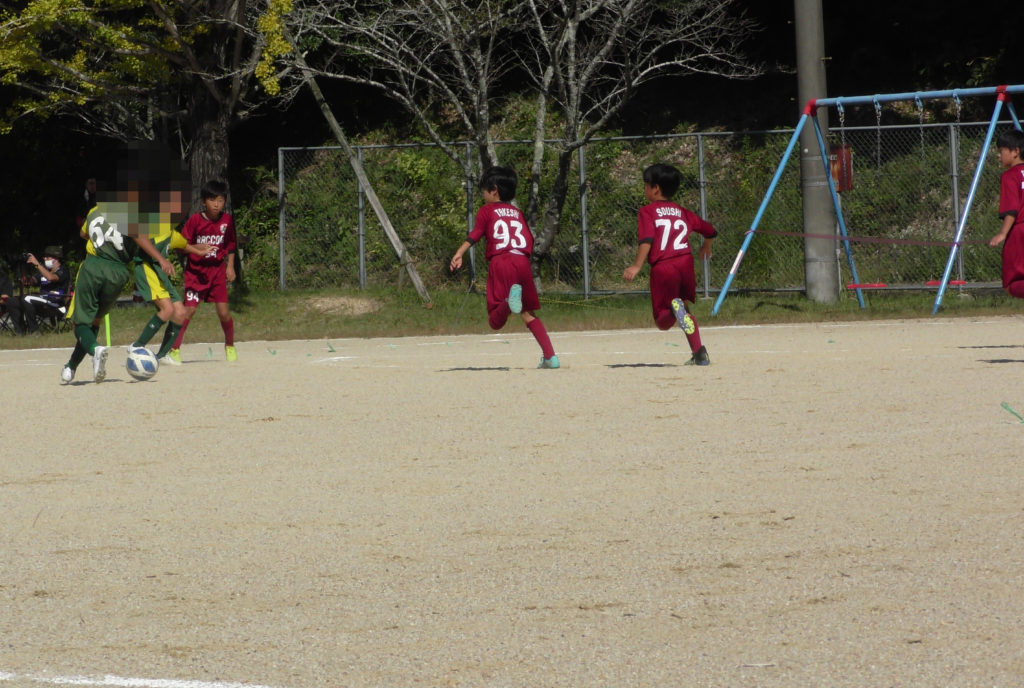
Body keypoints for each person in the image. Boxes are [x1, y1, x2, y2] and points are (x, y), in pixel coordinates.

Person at [62, 145, 187, 384]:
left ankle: (94, 350)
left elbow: (83, 234)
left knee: (80, 324)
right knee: (95, 321)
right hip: (119, 273)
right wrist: (161, 258)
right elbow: (139, 236)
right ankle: (70, 367)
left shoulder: (94, 212)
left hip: (94, 266)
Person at [449, 166, 559, 368]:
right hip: (522, 262)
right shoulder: (517, 213)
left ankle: (508, 301)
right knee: (528, 314)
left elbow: (477, 233)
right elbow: (529, 240)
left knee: (495, 321)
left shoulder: (487, 210)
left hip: (502, 261)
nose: (483, 195)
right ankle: (551, 357)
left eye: (484, 191)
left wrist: (460, 252)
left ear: (494, 191)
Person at [623, 163, 716, 365]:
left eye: (646, 185)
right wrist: (706, 247)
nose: (644, 189)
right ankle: (699, 353)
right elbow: (710, 231)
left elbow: (647, 239)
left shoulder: (647, 212)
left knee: (662, 321)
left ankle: (674, 311)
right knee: (684, 309)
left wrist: (637, 265)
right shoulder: (683, 212)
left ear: (656, 188)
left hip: (664, 266)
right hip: (685, 264)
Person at [130, 186, 216, 364]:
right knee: (167, 310)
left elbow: (186, 246)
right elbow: (139, 237)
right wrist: (162, 260)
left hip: (159, 273)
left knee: (180, 312)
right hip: (146, 268)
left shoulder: (171, 233)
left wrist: (201, 250)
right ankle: (136, 347)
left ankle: (161, 356)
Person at [167, 179, 238, 363]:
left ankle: (230, 345)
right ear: (204, 201)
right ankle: (174, 349)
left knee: (223, 312)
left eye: (220, 200)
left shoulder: (227, 221)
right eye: (212, 200)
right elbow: (181, 245)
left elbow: (231, 245)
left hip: (217, 271)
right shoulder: (195, 221)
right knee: (189, 310)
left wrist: (230, 266)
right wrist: (196, 248)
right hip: (196, 272)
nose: (216, 204)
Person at [989, 129, 1024, 299]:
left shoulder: (1010, 176)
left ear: (1015, 151)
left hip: (1019, 232)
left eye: (1001, 150)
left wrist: (1003, 233)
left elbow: (1012, 208)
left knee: (1011, 284)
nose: (999, 155)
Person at [6, 246, 71, 334]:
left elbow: (51, 277)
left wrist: (37, 264)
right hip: (41, 302)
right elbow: (32, 281)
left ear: (57, 258)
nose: (44, 258)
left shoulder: (63, 270)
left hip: (55, 303)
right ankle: (21, 332)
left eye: (47, 257)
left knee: (26, 298)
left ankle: (34, 331)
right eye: (44, 256)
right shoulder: (45, 270)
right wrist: (25, 272)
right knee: (11, 301)